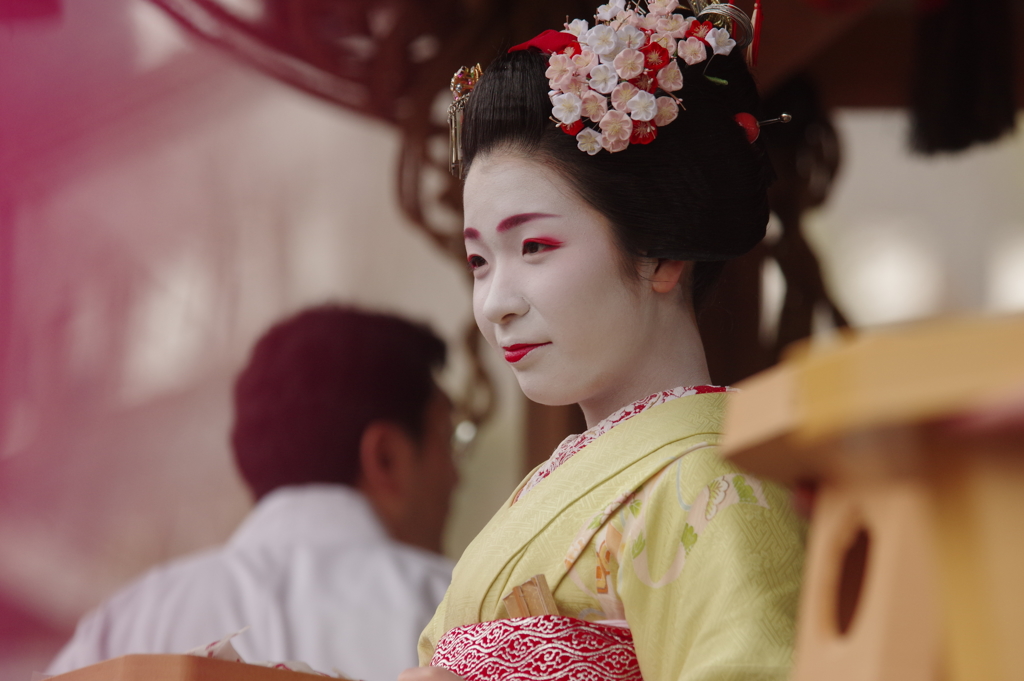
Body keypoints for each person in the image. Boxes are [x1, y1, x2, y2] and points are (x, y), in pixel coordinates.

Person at [404, 2, 806, 680]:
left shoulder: (715, 480)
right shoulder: (553, 487)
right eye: (479, 260)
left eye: (534, 245)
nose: (496, 303)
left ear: (657, 251)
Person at [48, 305, 459, 681]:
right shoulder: (458, 609)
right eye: (450, 440)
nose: (456, 477)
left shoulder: (124, 623)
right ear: (386, 457)